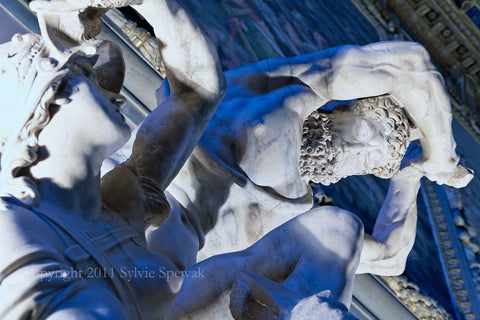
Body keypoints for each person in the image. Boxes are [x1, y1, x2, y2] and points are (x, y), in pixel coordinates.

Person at [146, 41, 473, 273]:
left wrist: (408, 177)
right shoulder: (280, 94)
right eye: (361, 133)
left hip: (152, 279)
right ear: (340, 109)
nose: (354, 151)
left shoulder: (296, 217)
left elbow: (390, 257)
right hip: (123, 194)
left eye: (368, 162)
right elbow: (411, 66)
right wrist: (442, 156)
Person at [0, 0, 225, 319]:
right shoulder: (13, 226)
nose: (114, 93)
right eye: (85, 71)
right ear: (45, 101)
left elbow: (197, 93)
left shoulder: (118, 208)